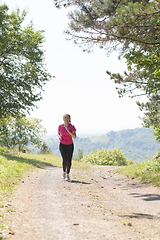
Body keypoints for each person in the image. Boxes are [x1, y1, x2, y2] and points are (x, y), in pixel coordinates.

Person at [58, 114, 76, 180]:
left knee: (69, 160)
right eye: (64, 117)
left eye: (67, 118)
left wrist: (68, 131)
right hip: (62, 144)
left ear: (69, 119)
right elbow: (58, 134)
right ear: (63, 118)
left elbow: (74, 136)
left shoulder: (72, 127)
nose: (66, 119)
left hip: (70, 145)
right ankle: (64, 172)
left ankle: (68, 174)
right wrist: (59, 137)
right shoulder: (60, 126)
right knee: (64, 159)